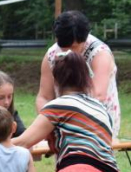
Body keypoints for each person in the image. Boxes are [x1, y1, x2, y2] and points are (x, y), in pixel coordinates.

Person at [36, 11, 120, 139]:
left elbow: (98, 95)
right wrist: (48, 125)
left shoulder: (99, 53)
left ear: (84, 39)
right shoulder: (52, 55)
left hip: (97, 126)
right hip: (62, 124)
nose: (67, 51)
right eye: (63, 47)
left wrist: (68, 118)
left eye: (73, 47)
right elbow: (44, 97)